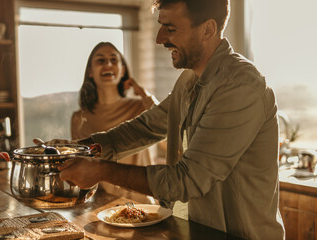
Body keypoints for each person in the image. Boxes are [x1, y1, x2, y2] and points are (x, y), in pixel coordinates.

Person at [57, 0, 285, 239]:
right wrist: (75, 149)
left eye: (171, 28)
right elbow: (144, 128)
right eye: (161, 26)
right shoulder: (188, 82)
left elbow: (188, 180)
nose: (160, 38)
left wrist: (101, 170)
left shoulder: (239, 86)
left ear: (207, 29)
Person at [72, 42, 159, 166]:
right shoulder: (78, 118)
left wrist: (144, 94)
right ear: (90, 71)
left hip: (138, 185)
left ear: (122, 70)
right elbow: (78, 163)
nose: (107, 64)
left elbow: (170, 136)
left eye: (113, 60)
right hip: (95, 186)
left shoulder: (140, 108)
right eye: (100, 60)